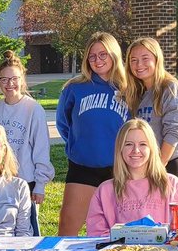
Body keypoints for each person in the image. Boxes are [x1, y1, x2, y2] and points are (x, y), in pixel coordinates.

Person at [55, 32, 129, 236]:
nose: (97, 60)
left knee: (120, 232)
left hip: (120, 170)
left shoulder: (129, 89)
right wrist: (80, 145)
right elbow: (63, 124)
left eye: (103, 54)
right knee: (67, 227)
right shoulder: (75, 88)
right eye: (92, 56)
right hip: (83, 167)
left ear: (114, 55)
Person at [86, 119, 178, 237]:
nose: (136, 150)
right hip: (120, 249)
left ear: (152, 149)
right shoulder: (105, 190)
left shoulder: (172, 184)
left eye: (143, 144)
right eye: (128, 144)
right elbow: (96, 236)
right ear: (120, 148)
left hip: (165, 249)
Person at [0, 51, 54, 235]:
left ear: (22, 80)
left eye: (14, 79)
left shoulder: (33, 109)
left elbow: (41, 149)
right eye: (4, 79)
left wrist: (40, 184)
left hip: (25, 181)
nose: (10, 84)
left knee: (26, 230)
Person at [124, 37, 178, 183]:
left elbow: (174, 132)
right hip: (141, 167)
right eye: (133, 60)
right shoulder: (135, 94)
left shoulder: (171, 89)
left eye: (145, 58)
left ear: (157, 59)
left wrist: (158, 167)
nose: (139, 64)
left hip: (166, 166)